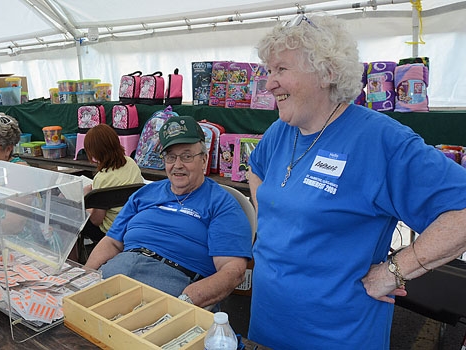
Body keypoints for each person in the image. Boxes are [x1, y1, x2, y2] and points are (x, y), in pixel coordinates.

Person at [246, 14, 466, 349]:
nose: (269, 83)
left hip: (336, 334)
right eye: (269, 71)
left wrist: (397, 269)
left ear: (327, 72)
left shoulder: (380, 140)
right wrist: (276, 224)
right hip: (267, 321)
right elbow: (255, 169)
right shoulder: (282, 131)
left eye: (281, 70)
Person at [85, 116, 252, 307]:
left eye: (187, 156)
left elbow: (232, 270)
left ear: (204, 159)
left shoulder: (221, 204)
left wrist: (185, 301)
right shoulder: (144, 194)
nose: (178, 164)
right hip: (116, 274)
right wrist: (86, 277)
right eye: (171, 157)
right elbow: (112, 242)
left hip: (172, 285)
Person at [81, 124, 144, 242]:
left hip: (111, 233)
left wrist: (86, 203)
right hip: (134, 225)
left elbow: (96, 220)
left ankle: (75, 259)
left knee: (76, 220)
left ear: (93, 153)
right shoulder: (131, 162)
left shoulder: (101, 178)